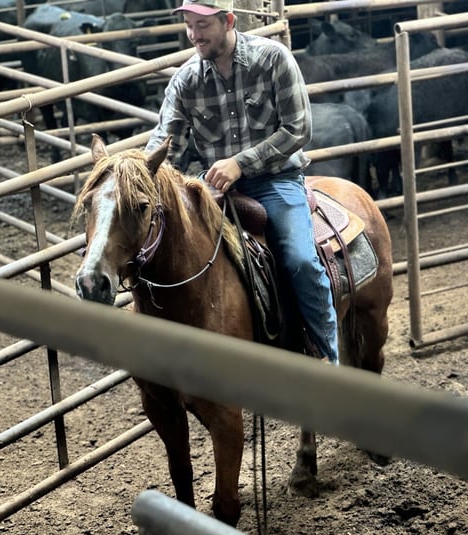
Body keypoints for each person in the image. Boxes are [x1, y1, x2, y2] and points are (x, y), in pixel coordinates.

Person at [145, 0, 339, 365]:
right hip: (214, 187)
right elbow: (164, 141)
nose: (193, 35)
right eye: (188, 25)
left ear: (228, 21)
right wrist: (138, 173)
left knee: (300, 260)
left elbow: (298, 129)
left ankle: (328, 358)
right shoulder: (185, 80)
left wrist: (240, 163)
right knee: (170, 250)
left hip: (275, 179)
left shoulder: (273, 58)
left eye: (202, 26)